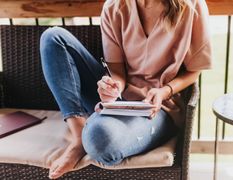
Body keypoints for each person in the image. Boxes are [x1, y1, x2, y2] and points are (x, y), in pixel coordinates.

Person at [40, 0, 212, 179]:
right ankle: (78, 137)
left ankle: (94, 129)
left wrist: (164, 91)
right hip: (121, 99)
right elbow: (118, 72)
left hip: (159, 108)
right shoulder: (114, 7)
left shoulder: (192, 6)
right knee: (53, 37)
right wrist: (113, 87)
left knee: (100, 140)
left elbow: (194, 71)